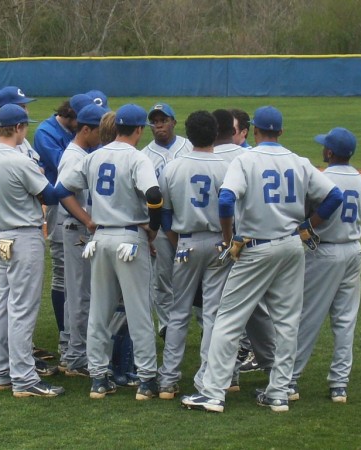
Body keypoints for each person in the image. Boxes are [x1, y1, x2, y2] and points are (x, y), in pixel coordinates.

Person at [181, 105, 343, 413]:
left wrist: (229, 239)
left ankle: (213, 392)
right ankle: (279, 393)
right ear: (281, 131)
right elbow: (334, 196)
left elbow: (227, 199)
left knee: (228, 319)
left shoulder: (246, 159)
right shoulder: (299, 161)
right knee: (286, 321)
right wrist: (309, 226)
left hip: (257, 248)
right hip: (292, 246)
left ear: (254, 131)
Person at [56, 104, 163, 401]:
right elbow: (154, 195)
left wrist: (87, 219)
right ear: (139, 129)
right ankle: (146, 380)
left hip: (100, 239)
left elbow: (61, 189)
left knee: (99, 311)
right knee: (138, 310)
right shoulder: (138, 158)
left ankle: (99, 379)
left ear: (116, 127)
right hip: (130, 238)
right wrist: (153, 227)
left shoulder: (94, 157)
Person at [0, 104, 66, 397]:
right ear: (17, 128)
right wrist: (67, 178)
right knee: (22, 309)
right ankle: (24, 379)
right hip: (22, 238)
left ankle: (2, 372)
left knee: (2, 304)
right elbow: (51, 195)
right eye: (24, 126)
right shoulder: (18, 160)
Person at [288, 127, 361, 404]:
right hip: (354, 251)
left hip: (325, 253)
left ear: (330, 152)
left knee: (306, 318)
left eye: (325, 147)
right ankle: (339, 385)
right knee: (346, 321)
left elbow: (307, 214)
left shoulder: (323, 179)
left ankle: (289, 381)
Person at [157, 110, 232, 399]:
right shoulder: (225, 167)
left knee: (178, 313)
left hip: (185, 243)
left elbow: (165, 217)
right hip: (217, 244)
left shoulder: (173, 168)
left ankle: (167, 380)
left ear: (188, 135)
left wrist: (178, 244)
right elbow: (231, 210)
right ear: (214, 134)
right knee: (212, 314)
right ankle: (207, 379)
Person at [33, 93, 94, 364]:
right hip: (66, 216)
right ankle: (69, 345)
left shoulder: (79, 145)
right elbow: (61, 185)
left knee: (81, 288)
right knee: (69, 282)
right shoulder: (47, 133)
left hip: (78, 218)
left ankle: (75, 345)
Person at [57, 103, 108, 377]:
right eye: (99, 130)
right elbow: (62, 193)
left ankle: (73, 353)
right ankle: (76, 357)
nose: (102, 136)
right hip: (77, 230)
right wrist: (87, 220)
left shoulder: (82, 152)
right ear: (86, 129)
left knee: (80, 295)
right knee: (80, 296)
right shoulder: (74, 156)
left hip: (78, 229)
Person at [140, 103, 193, 339]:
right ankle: (166, 325)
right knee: (162, 277)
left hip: (190, 222)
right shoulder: (144, 156)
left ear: (174, 121)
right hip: (161, 225)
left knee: (196, 276)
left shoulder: (189, 147)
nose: (159, 124)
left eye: (164, 119)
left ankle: (202, 322)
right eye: (155, 120)